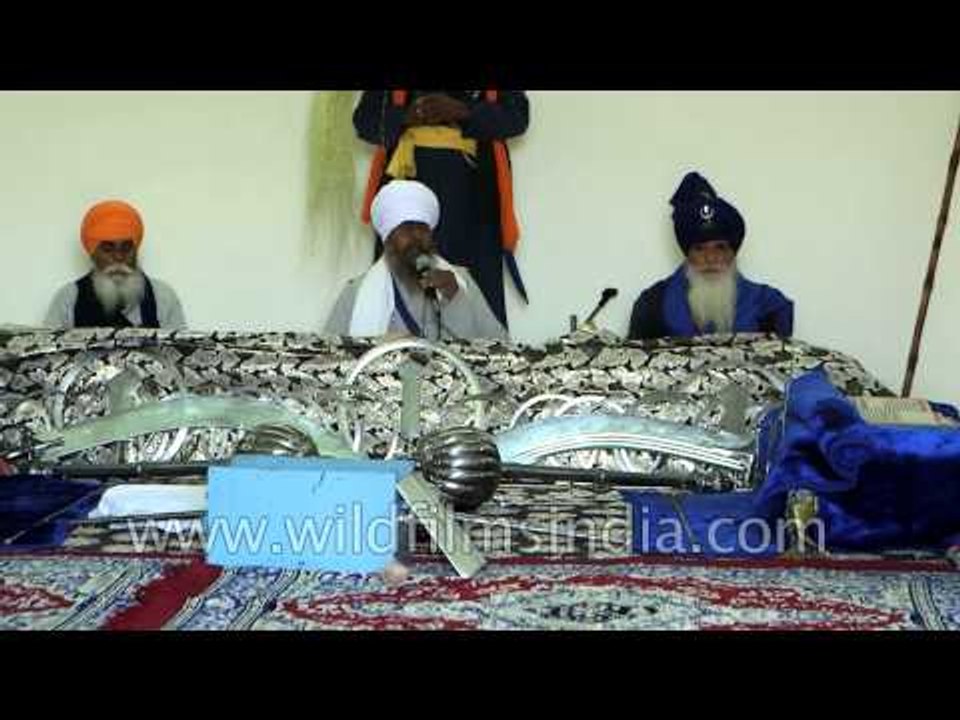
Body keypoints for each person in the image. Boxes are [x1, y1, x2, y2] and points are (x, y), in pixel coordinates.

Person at [353, 90, 529, 328]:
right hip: (407, 186)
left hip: (473, 193)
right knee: (401, 283)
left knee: (473, 289)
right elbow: (365, 121)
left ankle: (474, 363)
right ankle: (398, 358)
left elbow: (517, 117)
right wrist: (406, 117)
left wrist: (463, 112)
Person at [325, 180, 508, 342]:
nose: (416, 237)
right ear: (388, 239)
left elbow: (499, 347)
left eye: (422, 228)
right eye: (406, 229)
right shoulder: (356, 292)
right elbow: (332, 355)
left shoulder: (460, 280)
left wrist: (455, 297)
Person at [628, 172, 793, 340]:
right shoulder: (652, 303)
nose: (711, 258)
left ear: (733, 253)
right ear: (687, 254)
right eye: (699, 249)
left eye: (720, 247)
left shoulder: (770, 305)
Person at [44, 200, 186, 329]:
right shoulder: (68, 299)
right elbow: (47, 354)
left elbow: (182, 352)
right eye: (108, 248)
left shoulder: (163, 297)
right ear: (92, 253)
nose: (118, 257)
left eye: (126, 248)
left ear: (136, 250)